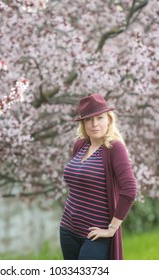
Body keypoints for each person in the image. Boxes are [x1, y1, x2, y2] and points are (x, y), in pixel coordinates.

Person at [59, 93, 137, 260]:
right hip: (68, 229)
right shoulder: (80, 144)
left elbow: (129, 191)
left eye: (99, 118)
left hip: (96, 236)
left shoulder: (114, 148)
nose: (94, 124)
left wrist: (111, 229)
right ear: (83, 123)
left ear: (108, 119)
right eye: (89, 119)